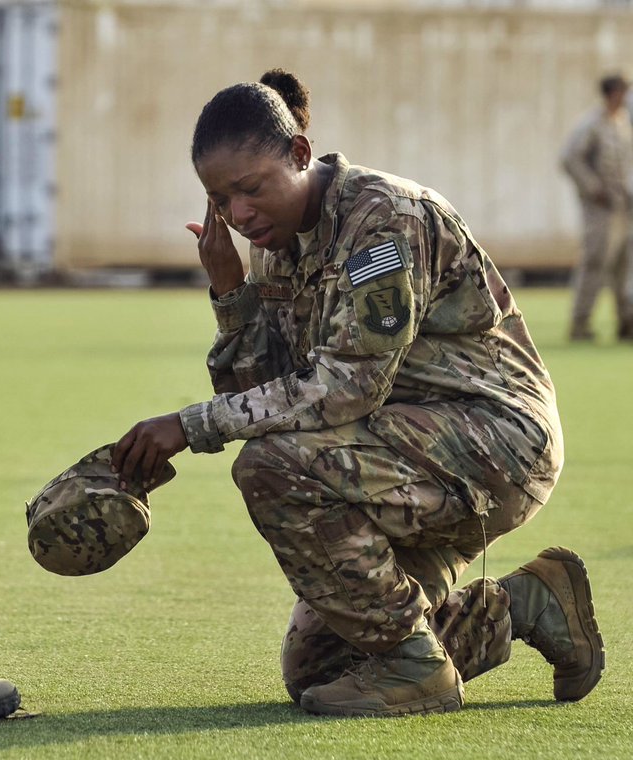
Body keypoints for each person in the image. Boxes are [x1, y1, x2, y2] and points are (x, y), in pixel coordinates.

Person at [110, 69, 605, 717]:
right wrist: (232, 296)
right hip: (393, 454)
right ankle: (529, 604)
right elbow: (273, 402)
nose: (239, 214)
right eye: (220, 199)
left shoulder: (385, 222)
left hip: (493, 442)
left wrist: (190, 424)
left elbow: (348, 386)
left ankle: (416, 667)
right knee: (319, 667)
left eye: (250, 190)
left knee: (269, 469)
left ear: (299, 155)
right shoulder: (273, 246)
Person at [560, 72, 633, 341]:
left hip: (623, 207)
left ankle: (627, 323)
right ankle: (580, 325)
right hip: (600, 210)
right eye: (624, 91)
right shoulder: (591, 124)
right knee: (595, 264)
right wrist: (594, 189)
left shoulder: (622, 123)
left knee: (624, 267)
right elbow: (569, 159)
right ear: (613, 93)